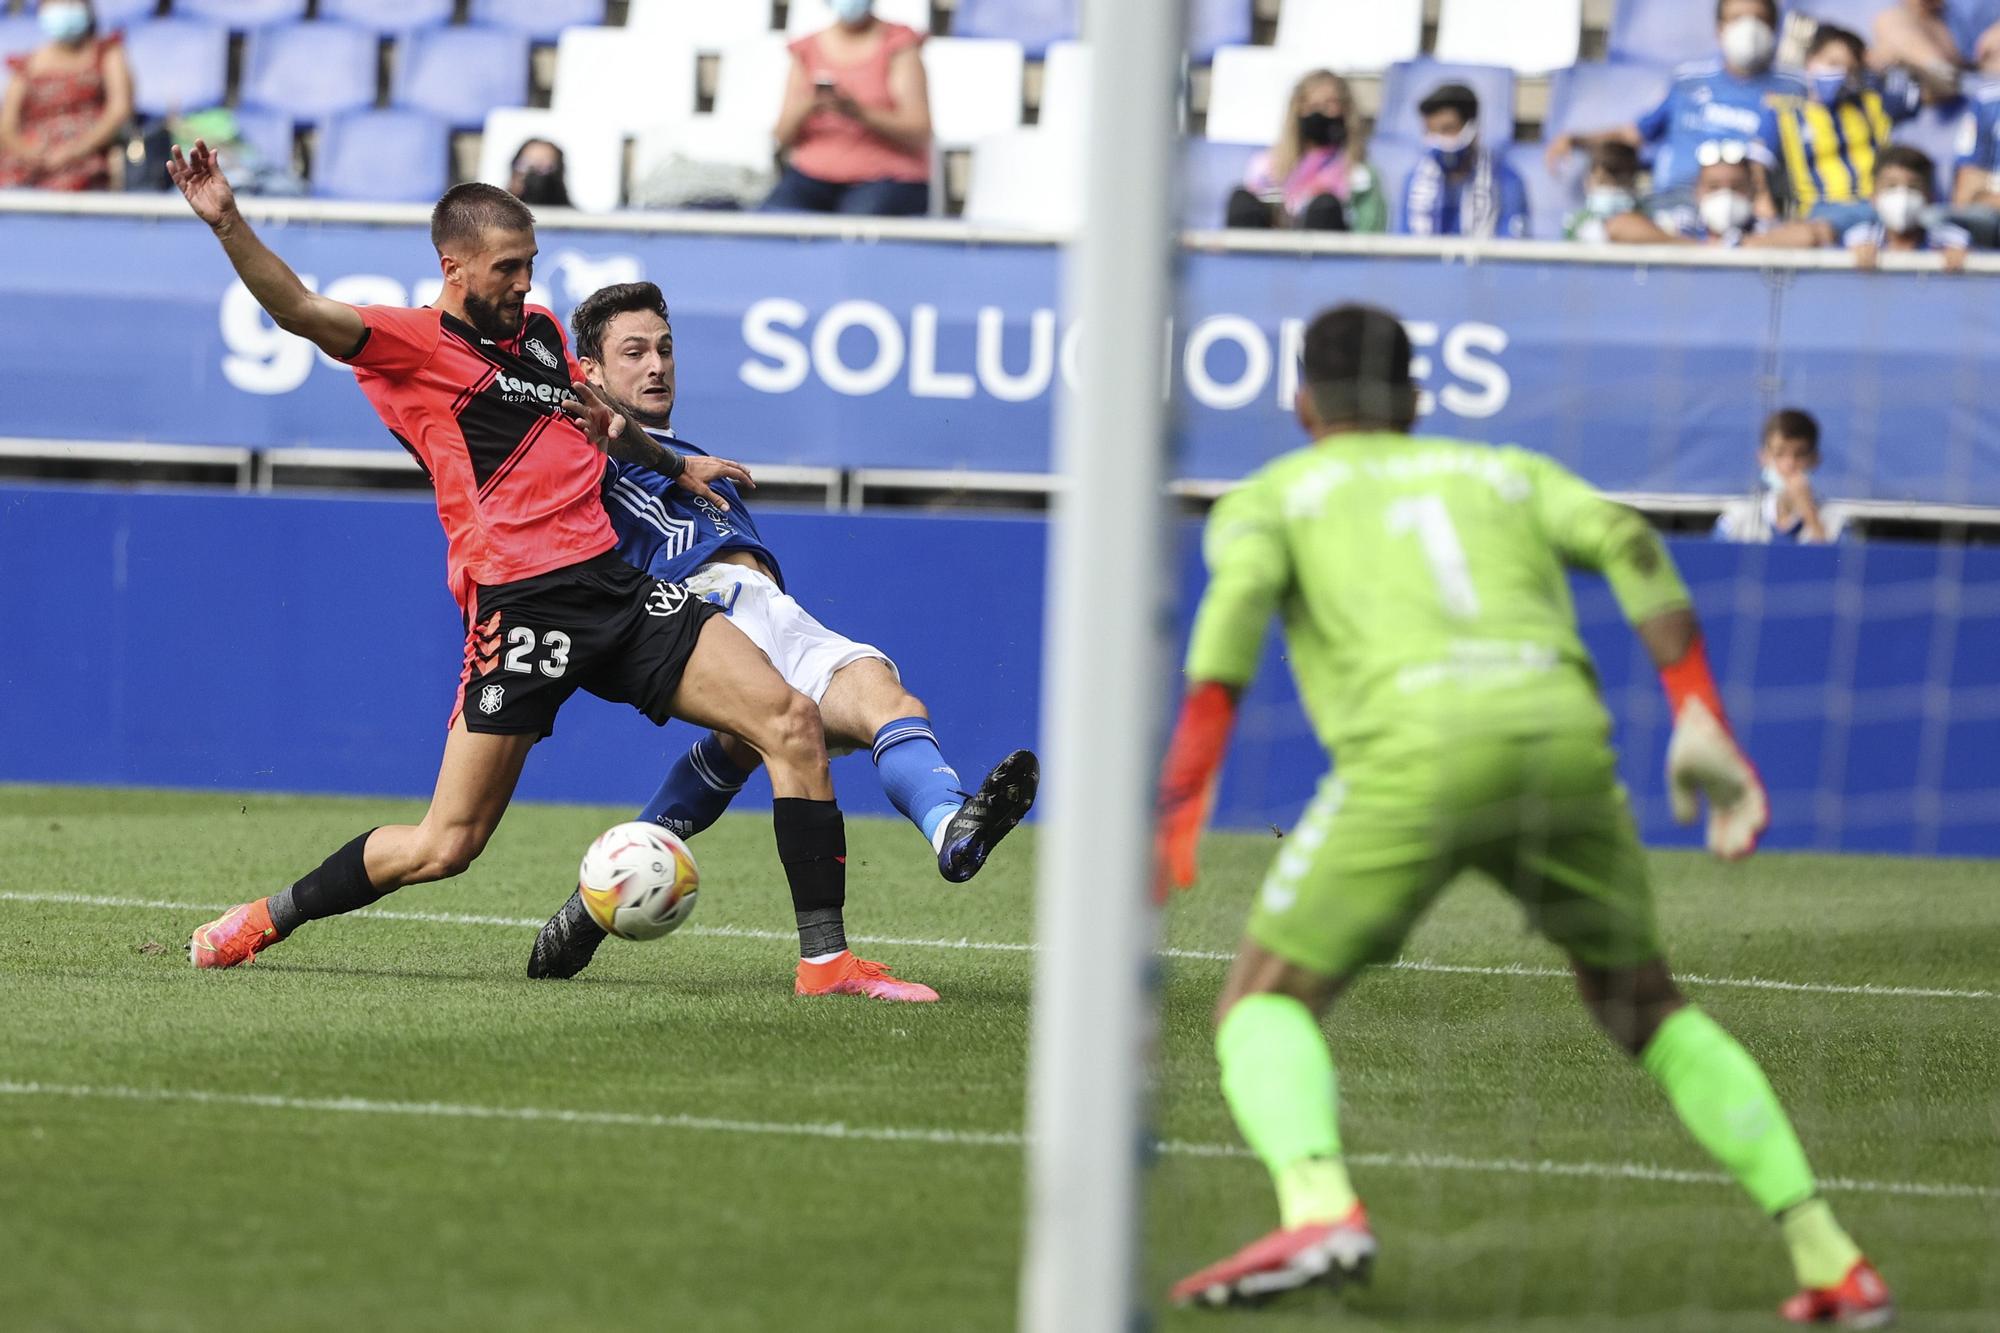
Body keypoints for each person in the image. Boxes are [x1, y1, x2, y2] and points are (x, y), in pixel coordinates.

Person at [1155, 303, 1890, 1327]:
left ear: (1299, 404)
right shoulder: (1500, 470)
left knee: (1260, 1001)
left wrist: (1179, 803)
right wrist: (1695, 707)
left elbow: (1232, 617)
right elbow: (1628, 537)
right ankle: (1830, 1257)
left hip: (1409, 758)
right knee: (1646, 1006)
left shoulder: (1271, 497)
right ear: (1415, 400)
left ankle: (1319, 1205)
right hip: (1559, 747)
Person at [165, 144, 925, 1002]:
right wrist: (228, 220)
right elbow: (300, 307)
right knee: (444, 845)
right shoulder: (410, 346)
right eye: (508, 267)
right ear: (454, 269)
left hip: (612, 587)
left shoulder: (539, 333)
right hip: (519, 608)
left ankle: (826, 963)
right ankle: (265, 917)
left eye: (531, 264)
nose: (525, 282)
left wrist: (679, 468)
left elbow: (597, 417)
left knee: (788, 720)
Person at [525, 281, 1040, 994]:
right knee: (769, 732)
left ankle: (953, 828)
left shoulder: (690, 451)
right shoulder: (589, 443)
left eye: (666, 349)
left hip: (775, 610)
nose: (656, 366)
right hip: (692, 605)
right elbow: (548, 417)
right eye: (634, 352)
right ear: (591, 370)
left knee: (884, 702)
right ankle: (818, 959)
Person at [1547, 0, 1798, 212]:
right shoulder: (1688, 81)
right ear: (1720, 29)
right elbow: (1634, 134)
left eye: (1758, 18)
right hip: (1675, 207)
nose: (1748, 28)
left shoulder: (1796, 91)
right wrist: (1577, 140)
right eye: (1737, 18)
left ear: (1774, 28)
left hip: (1750, 212)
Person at [765, 0, 932, 217]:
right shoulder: (806, 48)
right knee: (768, 227)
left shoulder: (899, 44)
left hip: (886, 179)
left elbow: (918, 132)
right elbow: (782, 135)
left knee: (854, 238)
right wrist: (809, 104)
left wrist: (858, 113)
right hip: (811, 178)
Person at [1761, 24, 1929, 234]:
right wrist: (1765, 210)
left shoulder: (1873, 104)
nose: (1840, 75)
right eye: (1832, 63)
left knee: (1934, 220)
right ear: (1809, 61)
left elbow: (1934, 91)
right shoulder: (1784, 113)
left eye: (1849, 70)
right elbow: (1758, 166)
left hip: (1879, 207)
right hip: (1821, 212)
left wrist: (1886, 66)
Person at [1226, 69, 1385, 233]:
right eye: (1310, 105)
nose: (1318, 113)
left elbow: (1368, 236)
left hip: (1327, 253)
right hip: (1271, 252)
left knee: (1324, 208)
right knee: (1241, 202)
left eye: (1329, 104)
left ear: (1345, 110)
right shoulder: (1265, 167)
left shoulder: (1360, 176)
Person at [0, 0, 132, 192]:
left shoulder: (107, 52)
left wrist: (73, 151)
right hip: (31, 159)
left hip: (86, 158)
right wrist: (28, 153)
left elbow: (119, 110)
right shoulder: (27, 64)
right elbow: (7, 125)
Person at [1614, 140, 1832, 248]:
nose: (1725, 195)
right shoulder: (1683, 224)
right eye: (1714, 186)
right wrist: (1695, 249)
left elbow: (1813, 234)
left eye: (1736, 187)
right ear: (1697, 191)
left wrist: (1736, 248)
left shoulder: (1763, 227)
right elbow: (1619, 226)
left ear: (1752, 191)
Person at [1398, 83, 1527, 240]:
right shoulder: (1413, 182)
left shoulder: (1506, 181)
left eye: (1447, 130)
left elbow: (1512, 250)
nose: (1437, 140)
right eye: (1430, 132)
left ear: (1472, 129)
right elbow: (1405, 249)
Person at [1715, 409, 1844, 544]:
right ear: (1763, 457)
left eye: (1799, 454)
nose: (1789, 464)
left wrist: (1810, 515)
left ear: (1815, 459)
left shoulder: (1837, 522)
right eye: (1779, 453)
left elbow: (1832, 563)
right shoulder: (1736, 519)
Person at [1845, 142, 1970, 270]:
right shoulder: (1858, 237)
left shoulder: (1952, 239)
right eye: (1891, 186)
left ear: (1930, 197)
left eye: (1913, 187)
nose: (1902, 195)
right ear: (1873, 198)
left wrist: (1958, 256)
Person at [1562, 141, 1643, 243]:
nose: (1612, 192)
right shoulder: (1577, 223)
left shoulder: (1649, 216)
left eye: (1621, 184)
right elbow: (1616, 229)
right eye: (1603, 184)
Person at [508, 137, 570, 208]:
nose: (531, 176)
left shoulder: (575, 217)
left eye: (542, 167)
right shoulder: (496, 213)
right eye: (525, 164)